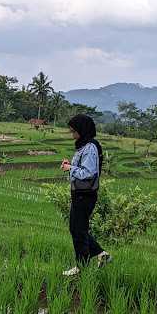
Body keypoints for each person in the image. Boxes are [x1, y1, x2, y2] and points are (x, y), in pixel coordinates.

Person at [60, 114, 111, 276]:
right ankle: (102, 255)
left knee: (78, 230)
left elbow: (89, 172)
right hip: (80, 193)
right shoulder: (84, 146)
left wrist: (70, 169)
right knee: (77, 229)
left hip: (85, 195)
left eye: (74, 131)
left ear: (82, 130)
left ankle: (80, 267)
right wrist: (70, 165)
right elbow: (82, 168)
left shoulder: (89, 147)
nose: (72, 134)